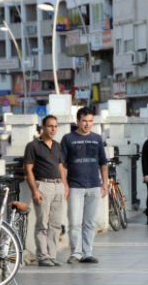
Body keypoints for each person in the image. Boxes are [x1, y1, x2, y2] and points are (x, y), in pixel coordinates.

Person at [61, 107, 109, 264]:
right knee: (75, 222)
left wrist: (105, 183)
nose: (88, 124)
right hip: (75, 186)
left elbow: (103, 162)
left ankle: (88, 252)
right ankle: (76, 253)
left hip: (94, 186)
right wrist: (65, 185)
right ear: (77, 121)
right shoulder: (68, 139)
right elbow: (62, 164)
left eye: (90, 121)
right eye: (84, 121)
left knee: (89, 222)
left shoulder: (97, 138)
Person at [24, 115, 68, 267]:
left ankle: (52, 255)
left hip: (58, 186)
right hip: (43, 185)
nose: (53, 129)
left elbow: (61, 167)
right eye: (50, 126)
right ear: (43, 127)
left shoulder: (57, 145)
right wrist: (35, 191)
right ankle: (43, 256)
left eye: (55, 126)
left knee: (55, 224)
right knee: (42, 223)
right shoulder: (33, 146)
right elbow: (28, 170)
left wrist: (65, 185)